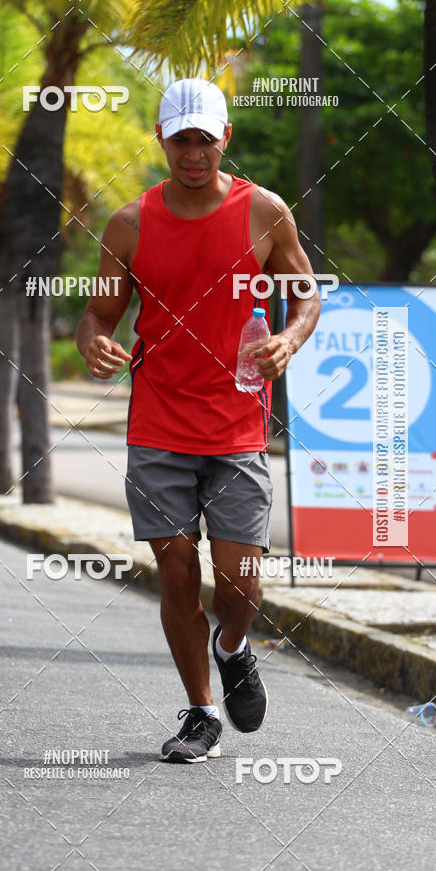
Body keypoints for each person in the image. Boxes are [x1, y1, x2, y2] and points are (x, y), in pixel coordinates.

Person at [76, 78, 320, 763]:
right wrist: (93, 339)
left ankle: (233, 645)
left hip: (239, 427)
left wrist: (289, 341)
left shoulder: (263, 213)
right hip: (157, 425)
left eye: (204, 140)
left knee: (240, 583)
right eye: (180, 139)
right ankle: (200, 713)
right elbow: (99, 312)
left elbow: (305, 296)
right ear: (162, 140)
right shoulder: (130, 224)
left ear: (224, 140)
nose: (192, 153)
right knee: (178, 571)